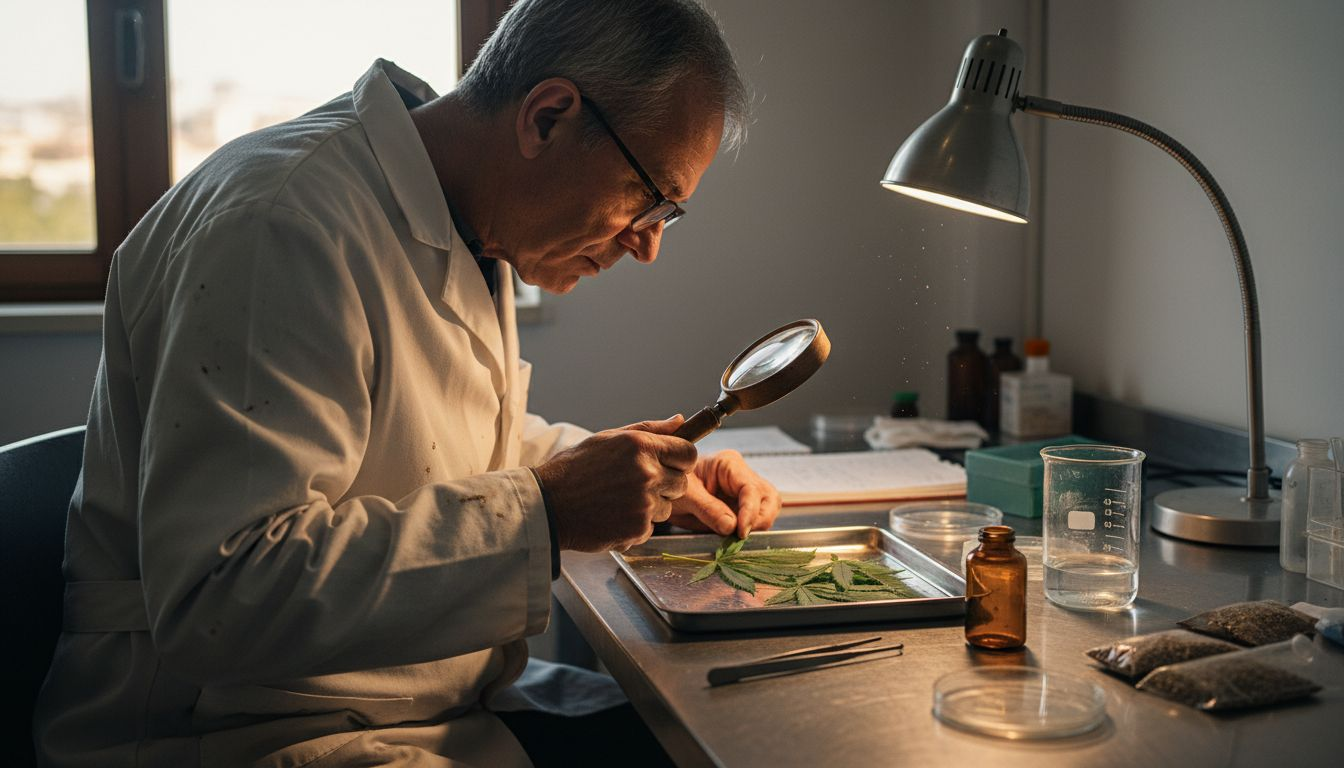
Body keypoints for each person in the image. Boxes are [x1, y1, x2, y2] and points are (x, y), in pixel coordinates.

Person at [34, 1, 779, 765]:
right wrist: (552, 511)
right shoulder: (278, 226)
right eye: (649, 198)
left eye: (668, 214)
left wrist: (639, 476)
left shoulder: (467, 217)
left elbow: (427, 440)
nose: (648, 245)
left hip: (411, 702)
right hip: (239, 731)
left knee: (717, 732)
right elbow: (225, 597)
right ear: (548, 118)